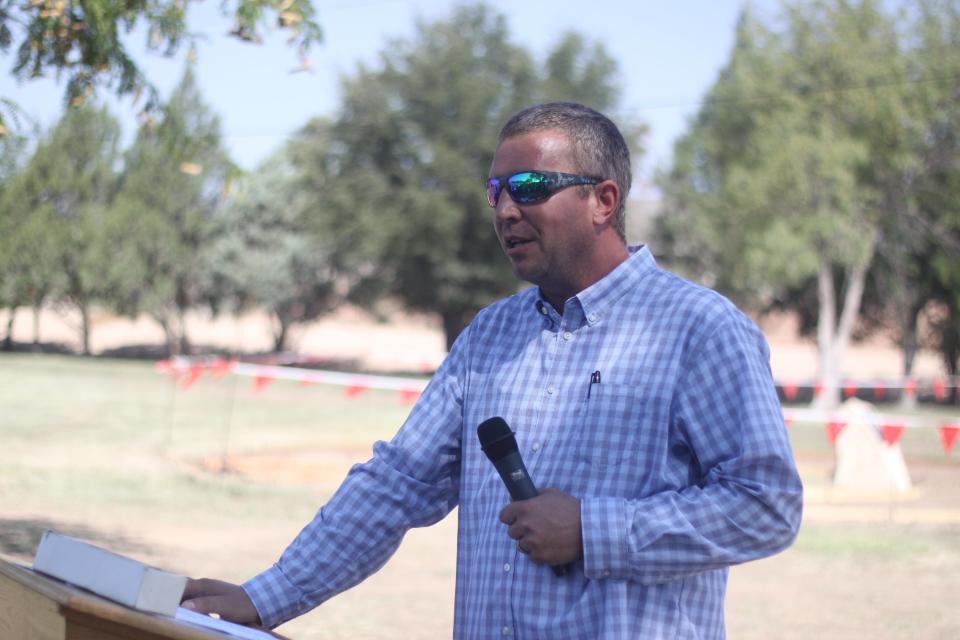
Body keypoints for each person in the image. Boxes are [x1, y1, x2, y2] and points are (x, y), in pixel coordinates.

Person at [182, 102, 803, 638]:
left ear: (603, 201)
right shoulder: (490, 336)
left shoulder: (699, 329)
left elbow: (766, 505)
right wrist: (265, 599)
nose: (505, 210)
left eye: (530, 186)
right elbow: (396, 484)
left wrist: (594, 529)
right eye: (496, 191)